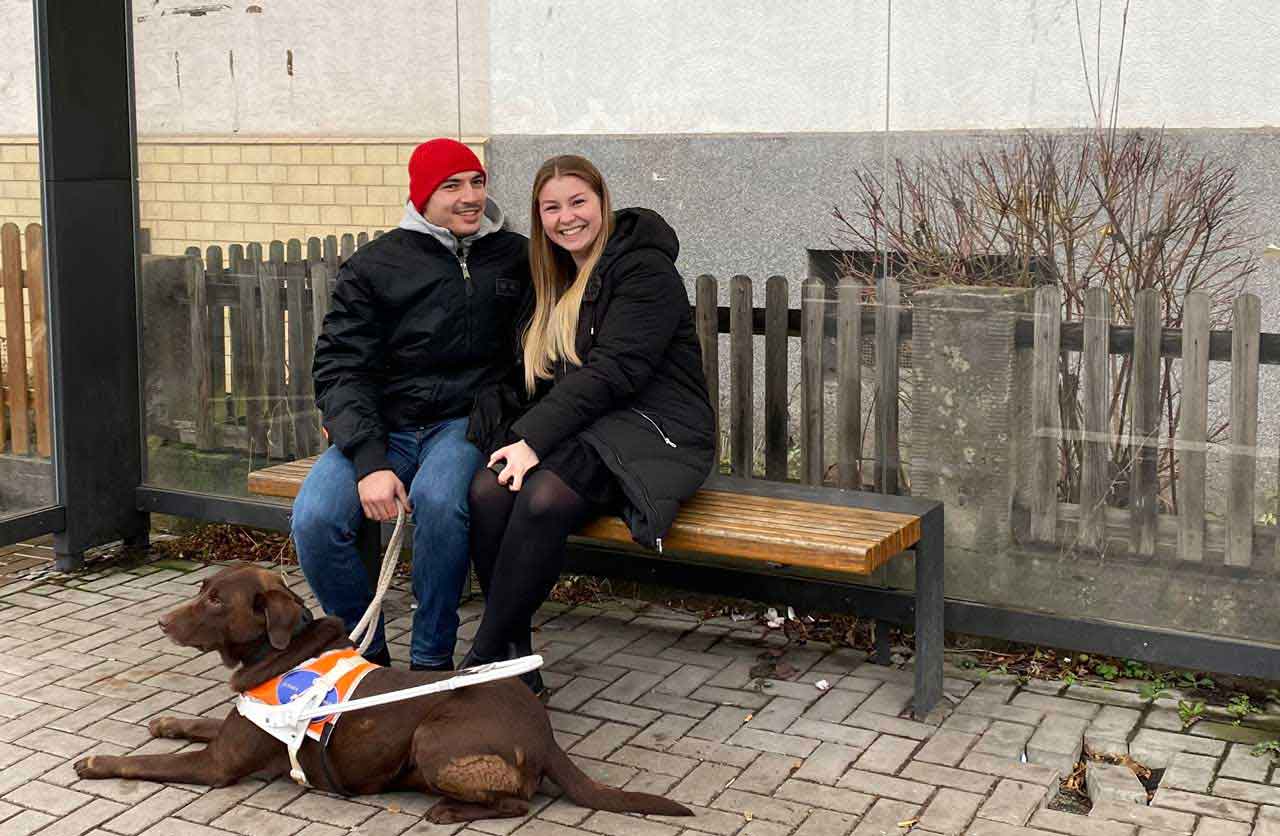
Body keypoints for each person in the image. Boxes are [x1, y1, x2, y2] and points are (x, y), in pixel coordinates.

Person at [464, 155, 715, 691]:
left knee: (543, 497)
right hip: (589, 424)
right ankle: (517, 666)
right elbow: (543, 374)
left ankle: (482, 660)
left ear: (603, 202)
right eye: (551, 208)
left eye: (578, 202)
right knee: (489, 488)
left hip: (654, 429)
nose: (566, 218)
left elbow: (616, 370)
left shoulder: (644, 270)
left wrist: (532, 438)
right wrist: (504, 415)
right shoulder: (553, 275)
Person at [292, 138, 529, 671]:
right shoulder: (376, 265)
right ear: (422, 194)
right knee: (315, 519)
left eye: (476, 182)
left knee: (441, 503)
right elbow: (340, 366)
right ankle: (365, 659)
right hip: (384, 427)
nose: (469, 197)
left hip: (464, 423)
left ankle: (429, 662)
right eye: (451, 186)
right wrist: (370, 462)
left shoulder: (514, 255)